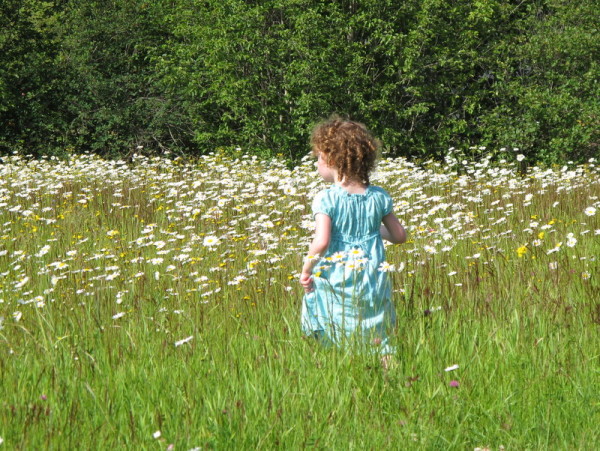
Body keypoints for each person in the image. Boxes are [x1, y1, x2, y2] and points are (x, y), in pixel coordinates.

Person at [300, 116, 406, 363]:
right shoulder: (379, 196)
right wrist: (370, 230)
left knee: (336, 322)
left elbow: (322, 241)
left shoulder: (327, 199)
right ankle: (392, 375)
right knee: (377, 331)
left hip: (337, 277)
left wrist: (306, 269)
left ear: (331, 159)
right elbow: (399, 236)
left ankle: (344, 368)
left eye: (318, 158)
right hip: (373, 279)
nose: (317, 164)